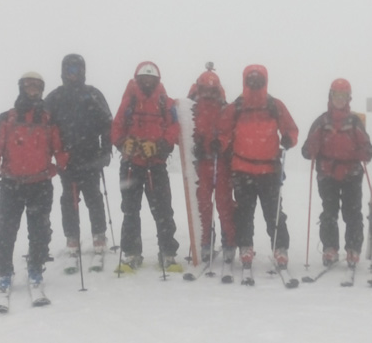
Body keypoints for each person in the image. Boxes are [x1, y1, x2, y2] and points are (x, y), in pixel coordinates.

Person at [0, 72, 69, 290]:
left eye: (36, 86)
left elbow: (59, 147)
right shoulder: (7, 118)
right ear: (21, 88)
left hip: (40, 183)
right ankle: (3, 270)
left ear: (41, 90)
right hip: (11, 183)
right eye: (28, 86)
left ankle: (36, 266)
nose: (32, 90)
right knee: (6, 229)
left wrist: (64, 165)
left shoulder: (49, 119)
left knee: (40, 229)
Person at [217, 65, 299, 270]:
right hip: (243, 168)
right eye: (251, 79)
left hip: (268, 169)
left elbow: (290, 128)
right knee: (245, 212)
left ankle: (280, 247)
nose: (254, 83)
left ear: (265, 81)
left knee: (273, 212)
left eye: (258, 79)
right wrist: (219, 142)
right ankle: (245, 245)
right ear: (245, 80)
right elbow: (223, 131)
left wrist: (289, 138)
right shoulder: (236, 107)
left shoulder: (274, 106)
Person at [111, 61, 182, 272]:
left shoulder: (165, 102)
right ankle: (132, 253)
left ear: (157, 80)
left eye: (151, 79)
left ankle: (168, 253)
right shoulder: (129, 101)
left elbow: (174, 127)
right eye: (144, 79)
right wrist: (124, 144)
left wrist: (161, 146)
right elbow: (116, 127)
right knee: (130, 211)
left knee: (163, 210)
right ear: (138, 80)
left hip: (156, 165)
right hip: (131, 165)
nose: (148, 82)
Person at [44, 54, 113, 260]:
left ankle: (99, 234)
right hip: (66, 158)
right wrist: (49, 155)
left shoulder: (93, 94)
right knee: (69, 198)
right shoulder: (54, 97)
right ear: (63, 71)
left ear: (83, 71)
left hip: (91, 156)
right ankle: (72, 236)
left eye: (77, 69)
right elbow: (44, 128)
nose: (73, 74)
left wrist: (105, 150)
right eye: (69, 70)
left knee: (94, 197)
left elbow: (108, 124)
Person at [301, 78, 372, 269]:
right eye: (336, 95)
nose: (339, 100)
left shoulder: (354, 121)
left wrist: (364, 152)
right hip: (328, 174)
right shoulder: (322, 121)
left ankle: (353, 249)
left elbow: (367, 147)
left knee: (352, 213)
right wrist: (312, 148)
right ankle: (330, 248)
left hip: (351, 173)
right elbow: (306, 151)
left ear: (349, 98)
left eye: (343, 96)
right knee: (329, 213)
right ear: (330, 97)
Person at [187, 68, 237, 264]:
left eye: (212, 90)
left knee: (224, 205)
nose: (208, 94)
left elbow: (229, 131)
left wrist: (221, 143)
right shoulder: (192, 108)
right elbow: (183, 132)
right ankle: (205, 241)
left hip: (221, 163)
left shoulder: (225, 109)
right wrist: (195, 144)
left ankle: (229, 242)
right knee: (203, 205)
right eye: (205, 90)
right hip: (201, 164)